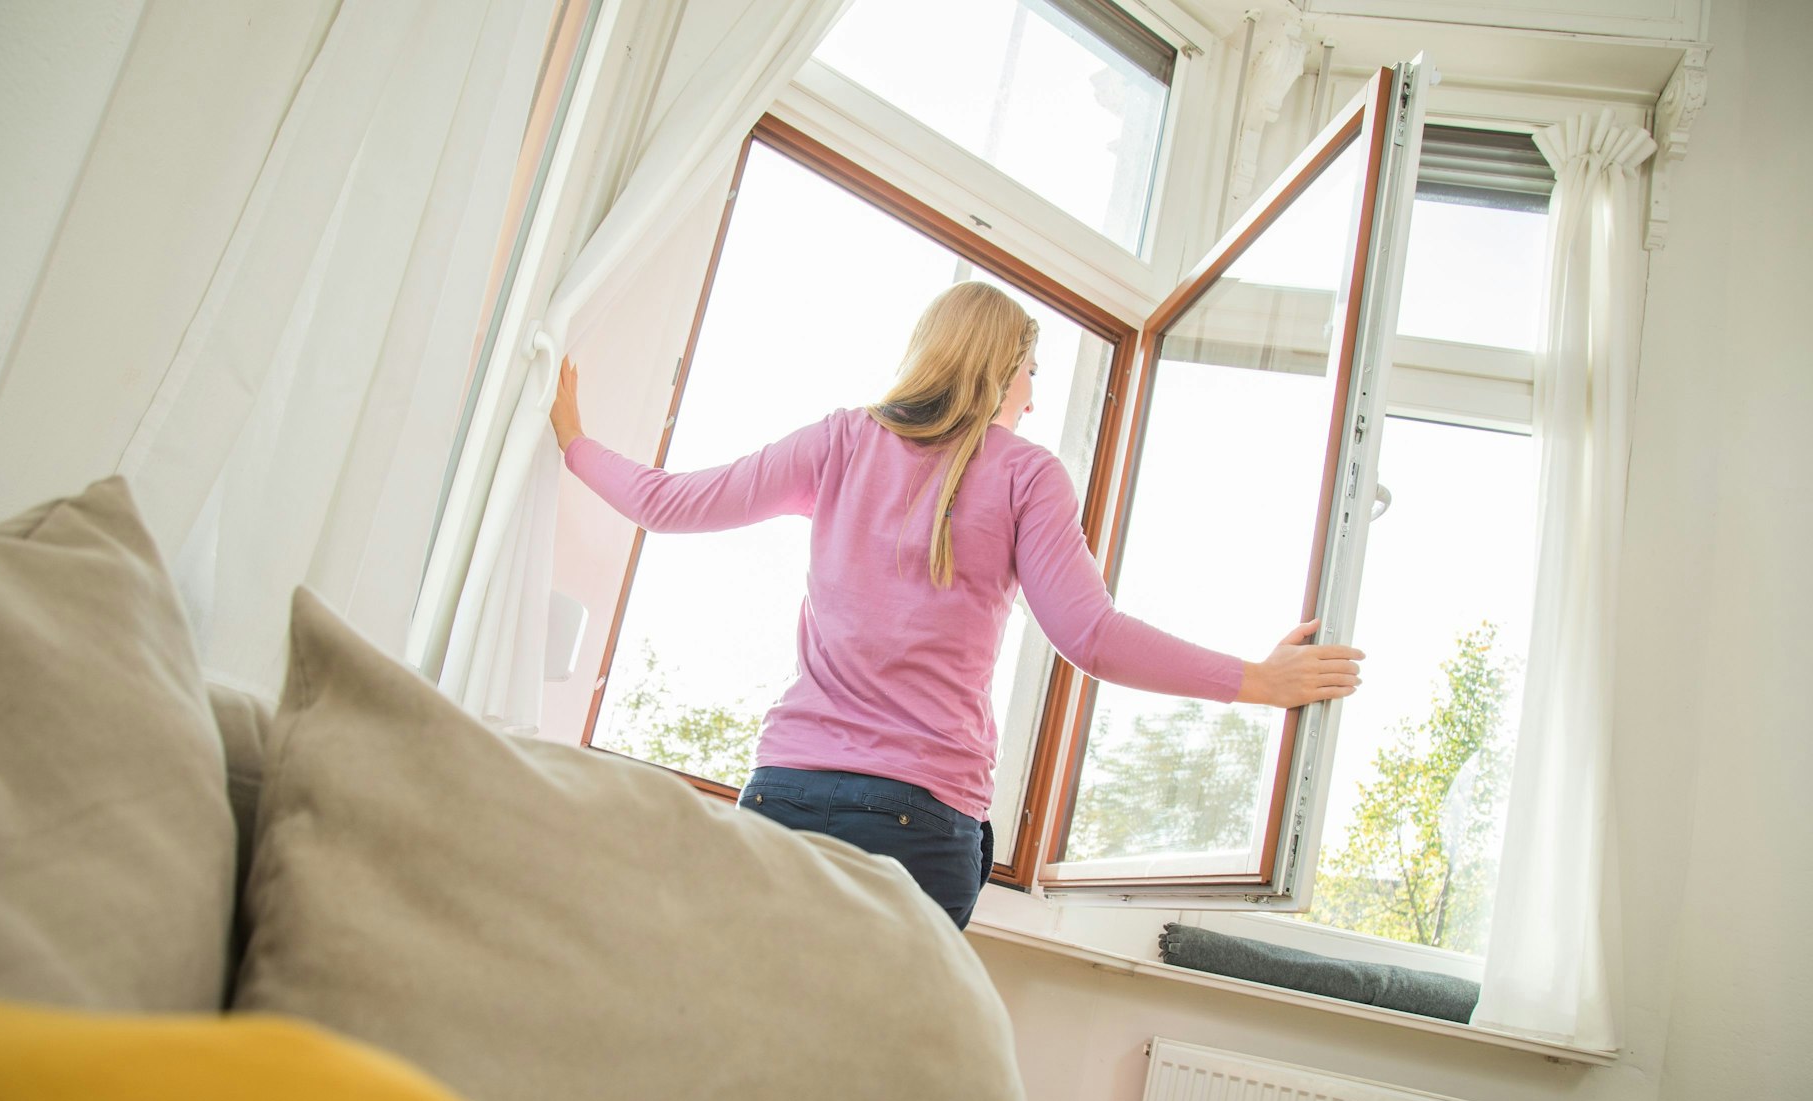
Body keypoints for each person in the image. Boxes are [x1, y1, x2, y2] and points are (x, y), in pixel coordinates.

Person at [549, 280, 1363, 930]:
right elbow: (1091, 636)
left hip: (784, 796)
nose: (1033, 399)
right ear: (1002, 368)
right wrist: (1259, 679)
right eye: (1031, 373)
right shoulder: (1025, 474)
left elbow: (668, 503)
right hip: (917, 819)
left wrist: (574, 441)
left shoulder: (841, 440)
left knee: (743, 1059)